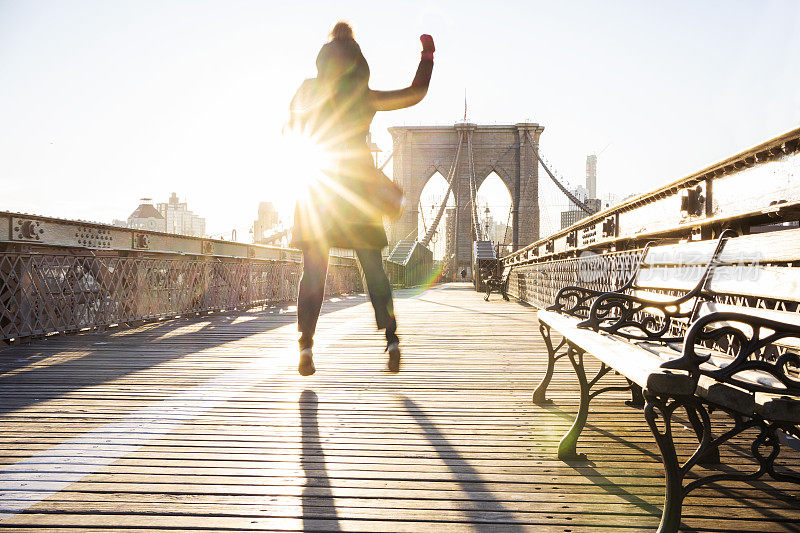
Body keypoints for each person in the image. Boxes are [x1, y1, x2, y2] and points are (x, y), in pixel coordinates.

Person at [286, 22, 435, 376]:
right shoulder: (365, 97)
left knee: (313, 273)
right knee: (374, 269)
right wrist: (427, 56)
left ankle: (306, 345)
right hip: (357, 190)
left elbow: (293, 122)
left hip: (318, 189)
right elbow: (416, 93)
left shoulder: (311, 89)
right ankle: (392, 339)